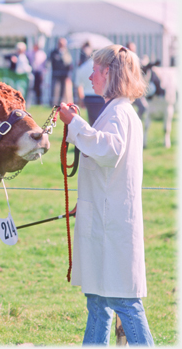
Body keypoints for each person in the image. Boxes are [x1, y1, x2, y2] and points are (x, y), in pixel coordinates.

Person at [57, 44, 154, 346]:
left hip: (113, 227)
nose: (89, 77)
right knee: (98, 304)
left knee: (125, 302)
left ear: (109, 73)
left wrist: (74, 124)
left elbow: (107, 151)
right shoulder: (117, 112)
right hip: (105, 220)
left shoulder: (119, 114)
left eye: (95, 70)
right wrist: (84, 206)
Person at [74, 57, 105, 125]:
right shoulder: (101, 67)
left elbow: (79, 85)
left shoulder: (82, 67)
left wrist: (80, 99)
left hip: (88, 96)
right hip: (100, 96)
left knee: (92, 121)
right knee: (102, 120)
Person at [50, 37, 73, 106]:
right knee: (54, 89)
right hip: (56, 73)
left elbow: (68, 63)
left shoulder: (66, 53)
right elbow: (53, 61)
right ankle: (52, 103)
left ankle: (60, 103)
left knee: (62, 90)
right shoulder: (54, 52)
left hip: (64, 74)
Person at [26, 41, 47, 105]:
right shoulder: (30, 53)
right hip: (32, 71)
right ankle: (31, 101)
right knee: (31, 86)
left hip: (39, 72)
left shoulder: (42, 54)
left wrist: (43, 73)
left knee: (39, 87)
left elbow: (44, 65)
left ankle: (38, 101)